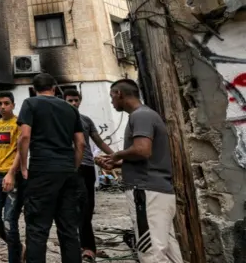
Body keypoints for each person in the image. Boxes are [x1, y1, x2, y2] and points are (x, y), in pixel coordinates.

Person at [96, 79, 183, 263]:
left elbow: (143, 150)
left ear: (119, 93)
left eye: (112, 96)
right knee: (167, 252)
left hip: (146, 192)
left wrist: (117, 155)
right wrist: (118, 164)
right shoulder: (145, 115)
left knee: (150, 253)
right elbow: (147, 158)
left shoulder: (140, 116)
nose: (111, 101)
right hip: (156, 191)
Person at [17, 73, 86, 263]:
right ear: (54, 89)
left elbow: (24, 137)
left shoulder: (30, 104)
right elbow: (80, 143)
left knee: (38, 228)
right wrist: (74, 166)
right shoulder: (71, 109)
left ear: (33, 89)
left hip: (42, 169)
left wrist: (24, 166)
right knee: (69, 229)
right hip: (67, 171)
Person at [64, 89, 115, 262]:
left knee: (87, 208)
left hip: (86, 167)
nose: (73, 103)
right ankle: (81, 246)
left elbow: (98, 140)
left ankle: (87, 246)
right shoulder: (60, 119)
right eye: (70, 101)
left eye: (76, 100)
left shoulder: (86, 120)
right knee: (70, 209)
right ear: (64, 101)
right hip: (67, 169)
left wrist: (116, 157)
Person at [0, 92, 25, 263]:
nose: (2, 106)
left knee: (10, 220)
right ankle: (18, 247)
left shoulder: (19, 124)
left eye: (6, 103)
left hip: (13, 176)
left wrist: (11, 173)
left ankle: (14, 258)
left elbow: (20, 150)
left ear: (13, 105)